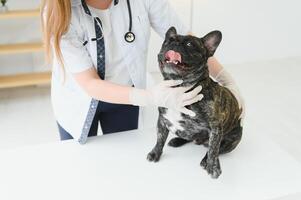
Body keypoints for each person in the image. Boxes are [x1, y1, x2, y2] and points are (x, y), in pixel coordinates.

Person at [41, 0, 244, 144]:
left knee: (125, 160)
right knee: (82, 164)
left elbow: (191, 42)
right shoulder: (58, 13)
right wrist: (149, 97)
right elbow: (90, 84)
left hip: (126, 96)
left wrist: (226, 79)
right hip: (78, 99)